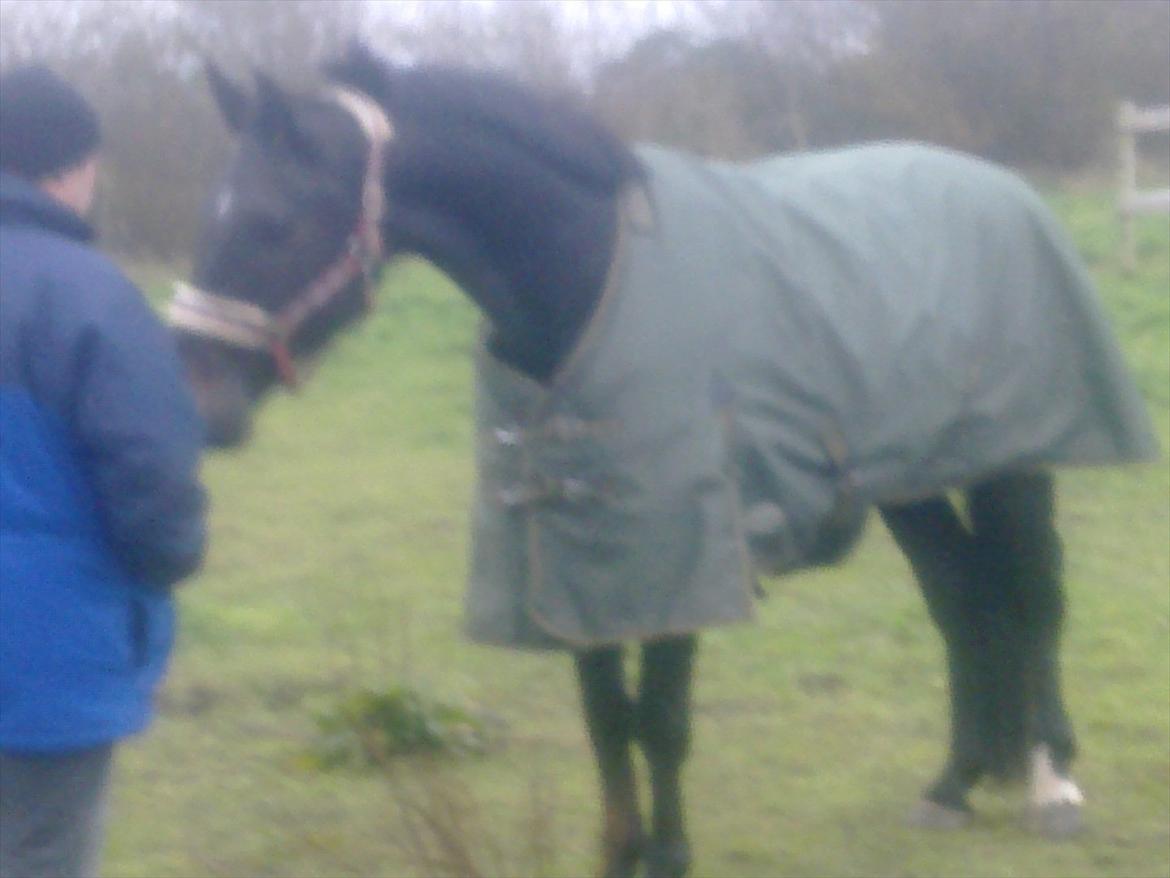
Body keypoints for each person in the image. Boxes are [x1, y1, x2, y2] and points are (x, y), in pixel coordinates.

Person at [0, 65, 208, 878]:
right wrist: (167, 563)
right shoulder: (90, 296)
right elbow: (154, 489)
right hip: (42, 660)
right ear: (68, 166)